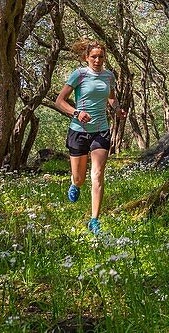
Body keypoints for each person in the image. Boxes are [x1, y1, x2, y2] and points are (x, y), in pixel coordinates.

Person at [55, 39, 127, 234]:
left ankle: (94, 220)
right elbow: (59, 101)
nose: (97, 60)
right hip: (78, 130)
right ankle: (75, 183)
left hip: (101, 130)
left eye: (101, 57)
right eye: (93, 56)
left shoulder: (109, 76)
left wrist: (118, 108)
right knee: (80, 178)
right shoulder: (79, 75)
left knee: (97, 174)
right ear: (86, 57)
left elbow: (111, 97)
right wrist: (77, 113)